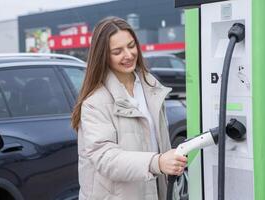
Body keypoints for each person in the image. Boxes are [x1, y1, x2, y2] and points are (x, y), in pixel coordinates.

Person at [71, 16, 187, 200]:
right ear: (103, 56)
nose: (128, 55)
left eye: (131, 45)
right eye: (117, 51)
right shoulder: (95, 102)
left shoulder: (151, 86)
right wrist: (156, 163)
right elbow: (105, 158)